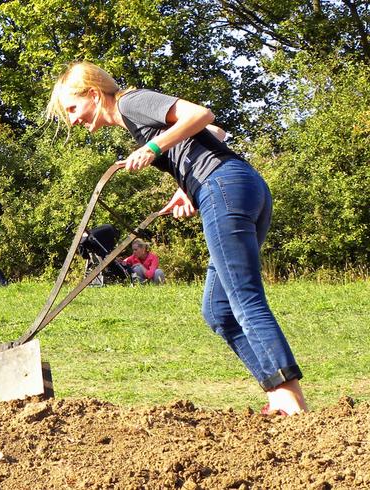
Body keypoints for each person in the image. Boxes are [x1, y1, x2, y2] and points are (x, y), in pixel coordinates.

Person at [46, 61, 307, 415]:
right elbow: (215, 132)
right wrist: (187, 186)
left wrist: (155, 148)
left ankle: (291, 400)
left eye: (73, 109)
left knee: (243, 298)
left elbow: (201, 114)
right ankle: (277, 392)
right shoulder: (133, 119)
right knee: (218, 311)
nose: (73, 120)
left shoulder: (130, 102)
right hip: (236, 185)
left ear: (94, 94)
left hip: (225, 187)